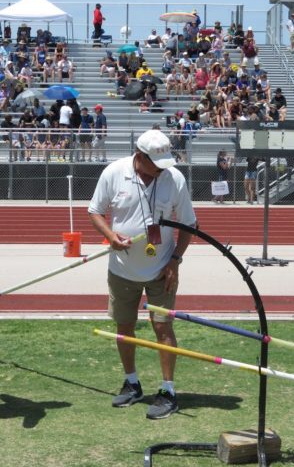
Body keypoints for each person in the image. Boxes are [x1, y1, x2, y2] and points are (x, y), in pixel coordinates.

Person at [88, 129, 196, 420]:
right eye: (156, 163)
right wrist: (110, 236)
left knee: (163, 328)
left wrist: (174, 260)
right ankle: (132, 382)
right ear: (139, 156)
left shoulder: (174, 178)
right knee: (125, 327)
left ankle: (168, 390)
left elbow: (188, 224)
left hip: (162, 270)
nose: (162, 169)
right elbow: (95, 211)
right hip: (122, 269)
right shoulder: (114, 172)